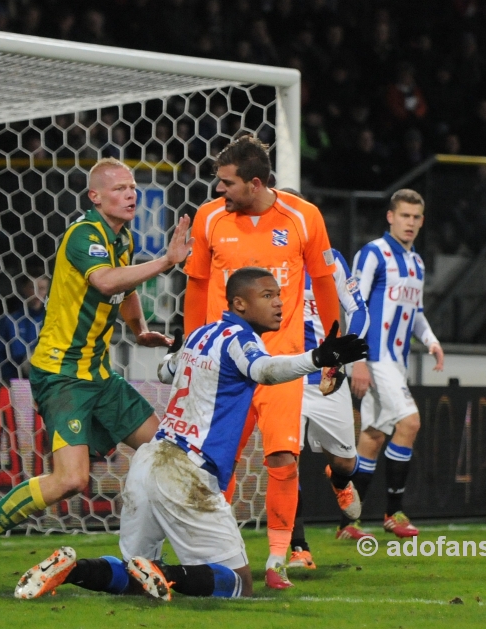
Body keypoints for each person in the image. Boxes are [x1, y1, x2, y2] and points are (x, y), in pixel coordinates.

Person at [13, 268, 368, 601]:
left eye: (279, 295)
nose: (278, 302)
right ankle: (163, 571)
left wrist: (173, 354)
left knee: (135, 580)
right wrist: (317, 358)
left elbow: (166, 371)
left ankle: (74, 569)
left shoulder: (201, 334)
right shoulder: (239, 340)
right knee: (239, 585)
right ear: (240, 304)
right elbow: (265, 371)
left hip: (149, 459)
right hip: (187, 472)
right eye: (267, 295)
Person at [0, 157, 194, 584]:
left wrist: (140, 329)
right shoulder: (84, 235)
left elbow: (125, 287)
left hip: (98, 374)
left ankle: (157, 559)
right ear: (95, 196)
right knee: (71, 480)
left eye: (132, 186)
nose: (130, 194)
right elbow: (107, 282)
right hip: (62, 375)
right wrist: (168, 260)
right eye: (118, 189)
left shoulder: (122, 238)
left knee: (168, 455)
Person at [183, 134, 340, 589]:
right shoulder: (208, 219)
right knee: (215, 465)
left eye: (227, 182)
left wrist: (332, 351)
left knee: (284, 460)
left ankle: (276, 561)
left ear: (255, 183)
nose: (218, 190)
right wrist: (190, 346)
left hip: (282, 361)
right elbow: (196, 285)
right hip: (223, 370)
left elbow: (325, 284)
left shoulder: (303, 217)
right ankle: (214, 554)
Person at [347, 189, 445, 539]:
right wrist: (356, 359)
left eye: (417, 217)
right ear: (391, 216)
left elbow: (415, 313)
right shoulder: (373, 253)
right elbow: (353, 306)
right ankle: (393, 512)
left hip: (397, 361)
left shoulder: (416, 262)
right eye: (405, 216)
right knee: (410, 422)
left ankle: (348, 522)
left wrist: (431, 342)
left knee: (373, 438)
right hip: (375, 358)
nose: (411, 223)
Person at [288, 254, 372, 569]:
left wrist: (347, 351)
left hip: (327, 376)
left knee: (346, 462)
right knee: (286, 462)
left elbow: (359, 309)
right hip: (285, 377)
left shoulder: (332, 260)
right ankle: (299, 548)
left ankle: (339, 481)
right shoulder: (269, 256)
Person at [0, 276, 49, 383]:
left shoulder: (53, 321)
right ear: (24, 289)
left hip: (45, 384)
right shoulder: (8, 321)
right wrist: (13, 376)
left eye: (42, 288)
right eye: (33, 288)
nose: (38, 293)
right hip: (15, 383)